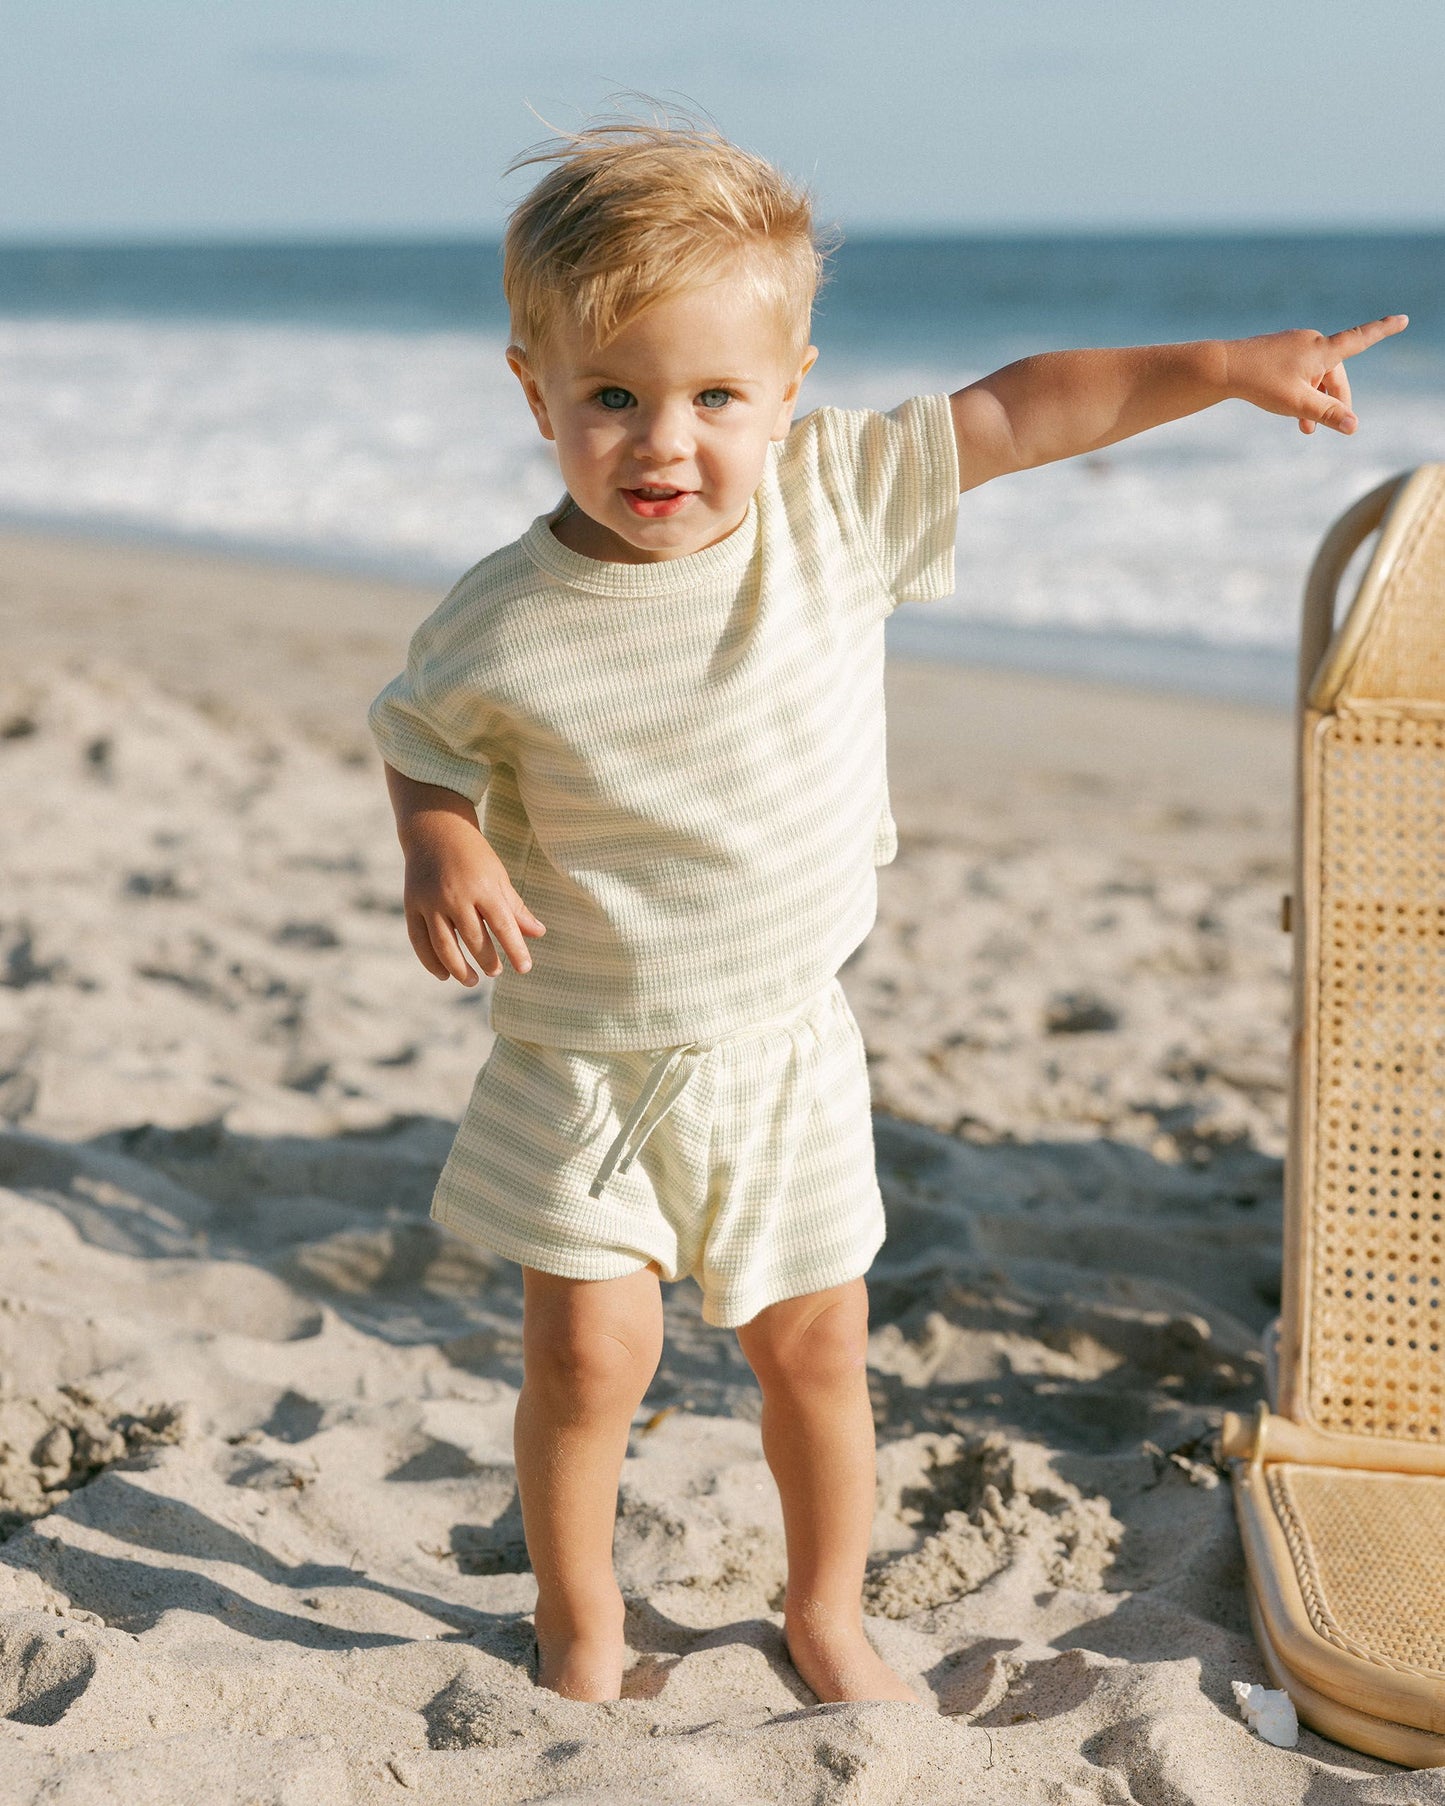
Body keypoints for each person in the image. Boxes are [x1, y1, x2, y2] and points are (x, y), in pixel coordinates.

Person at [367, 111, 1405, 1706]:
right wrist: (443, 844)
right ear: (536, 392)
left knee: (816, 1353)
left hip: (783, 1049)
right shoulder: (502, 617)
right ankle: (579, 1627)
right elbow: (421, 735)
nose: (666, 443)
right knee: (588, 1367)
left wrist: (1221, 362)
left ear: (789, 392)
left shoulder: (833, 500)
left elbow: (1028, 403)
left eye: (717, 397)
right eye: (613, 399)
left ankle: (826, 1608)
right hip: (584, 1057)